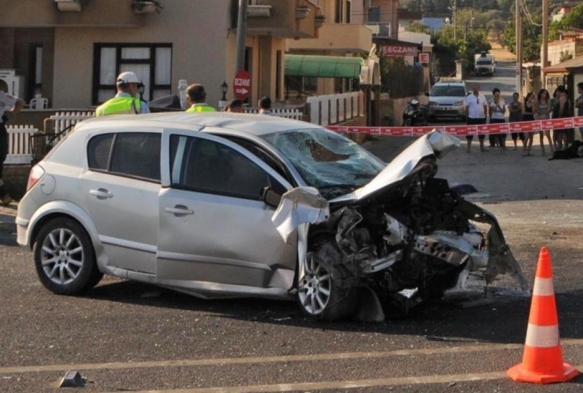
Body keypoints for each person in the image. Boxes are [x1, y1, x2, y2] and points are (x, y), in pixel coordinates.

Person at [0, 80, 25, 205]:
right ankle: (4, 194)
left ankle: (4, 194)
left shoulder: (2, 96)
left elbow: (20, 103)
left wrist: (7, 117)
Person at [464, 84, 488, 153]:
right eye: (473, 88)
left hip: (481, 118)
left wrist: (485, 115)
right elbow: (467, 108)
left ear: (479, 88)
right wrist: (467, 117)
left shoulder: (482, 96)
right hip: (471, 118)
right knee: (470, 134)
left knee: (481, 133)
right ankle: (468, 148)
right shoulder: (469, 97)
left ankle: (482, 147)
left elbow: (485, 106)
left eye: (476, 88)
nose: (475, 90)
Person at [552, 85, 572, 151]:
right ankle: (561, 146)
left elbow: (561, 108)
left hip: (562, 118)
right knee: (561, 133)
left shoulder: (562, 98)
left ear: (559, 91)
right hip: (562, 117)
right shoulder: (563, 97)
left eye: (557, 91)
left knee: (562, 133)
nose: (556, 93)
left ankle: (563, 146)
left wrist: (559, 117)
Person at [534, 89, 554, 156]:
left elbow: (549, 109)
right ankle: (543, 151)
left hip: (546, 118)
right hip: (540, 119)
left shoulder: (548, 100)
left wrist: (544, 111)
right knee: (541, 135)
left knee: (548, 135)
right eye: (543, 94)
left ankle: (552, 149)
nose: (544, 95)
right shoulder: (538, 101)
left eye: (545, 94)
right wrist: (544, 111)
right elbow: (537, 110)